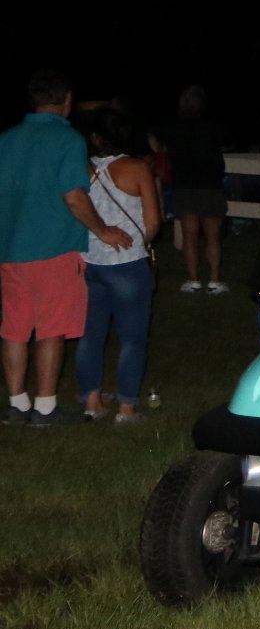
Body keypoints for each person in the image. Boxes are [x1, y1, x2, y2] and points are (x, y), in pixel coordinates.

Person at [2, 70, 133, 428]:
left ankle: (16, 404)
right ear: (67, 100)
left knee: (14, 327)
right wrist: (102, 229)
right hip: (54, 248)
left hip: (10, 249)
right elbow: (74, 196)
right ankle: (45, 408)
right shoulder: (67, 140)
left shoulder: (7, 139)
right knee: (51, 327)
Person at [76, 107, 161, 423]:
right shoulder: (137, 168)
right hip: (127, 263)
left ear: (95, 138)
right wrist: (141, 241)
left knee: (90, 335)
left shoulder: (81, 169)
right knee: (132, 337)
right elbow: (153, 221)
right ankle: (126, 407)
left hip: (90, 262)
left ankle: (92, 401)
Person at [164, 84, 228, 294]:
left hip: (185, 186)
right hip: (210, 186)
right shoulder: (212, 126)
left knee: (189, 234)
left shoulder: (174, 128)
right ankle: (215, 281)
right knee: (212, 235)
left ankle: (192, 280)